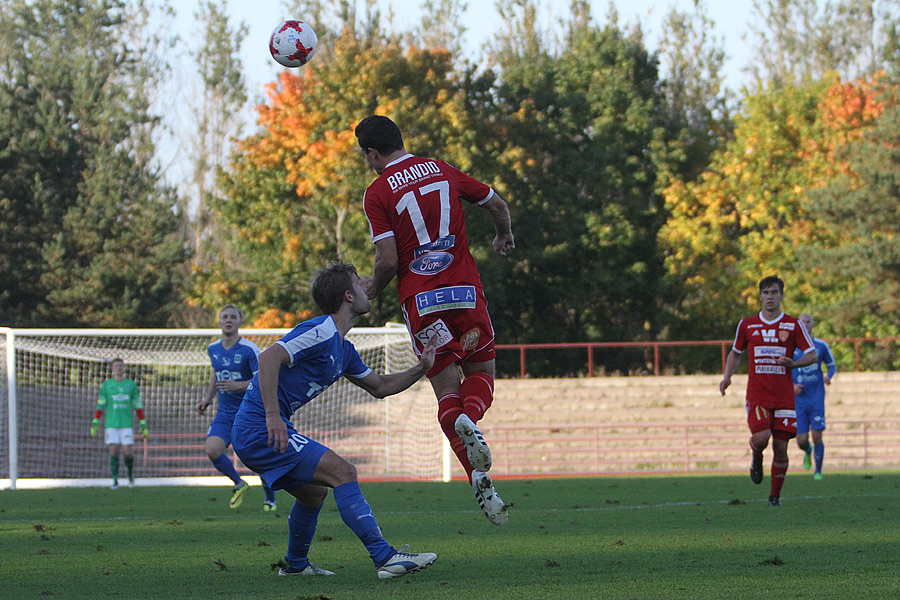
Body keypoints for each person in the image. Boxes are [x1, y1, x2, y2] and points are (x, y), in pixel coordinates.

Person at [354, 115, 515, 526]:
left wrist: (374, 285)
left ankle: (478, 477)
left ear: (372, 152)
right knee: (481, 371)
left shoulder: (376, 192)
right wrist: (502, 235)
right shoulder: (442, 169)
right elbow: (497, 204)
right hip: (464, 290)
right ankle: (472, 418)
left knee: (445, 389)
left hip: (422, 302)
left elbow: (388, 259)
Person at [231, 262, 439, 579]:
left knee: (314, 494)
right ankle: (385, 558)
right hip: (259, 427)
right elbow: (268, 357)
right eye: (359, 284)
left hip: (263, 429)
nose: (367, 287)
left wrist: (421, 368)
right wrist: (273, 415)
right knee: (344, 472)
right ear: (348, 296)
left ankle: (296, 566)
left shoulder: (344, 349)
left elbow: (380, 387)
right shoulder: (321, 330)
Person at [719, 275, 818, 506]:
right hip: (758, 394)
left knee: (781, 446)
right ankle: (756, 456)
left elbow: (811, 354)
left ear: (781, 295)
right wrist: (727, 377)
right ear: (760, 296)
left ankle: (774, 497)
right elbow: (736, 353)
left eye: (774, 292)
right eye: (766, 293)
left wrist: (793, 364)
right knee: (762, 438)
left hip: (784, 396)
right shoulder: (747, 324)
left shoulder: (793, 325)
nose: (770, 297)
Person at [197, 304, 278, 511]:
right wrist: (207, 398)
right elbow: (216, 373)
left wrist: (238, 386)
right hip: (224, 413)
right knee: (212, 449)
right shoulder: (212, 349)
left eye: (233, 317)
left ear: (240, 322)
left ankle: (270, 499)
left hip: (249, 412)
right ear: (219, 322)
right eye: (225, 317)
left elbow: (262, 379)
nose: (228, 320)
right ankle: (239, 483)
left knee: (258, 458)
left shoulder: (249, 349)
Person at [91, 358, 147, 489]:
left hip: (126, 424)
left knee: (127, 452)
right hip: (111, 424)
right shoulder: (107, 385)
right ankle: (115, 481)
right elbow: (100, 405)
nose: (118, 368)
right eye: (116, 366)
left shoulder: (131, 385)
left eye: (120, 366)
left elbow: (137, 405)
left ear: (124, 368)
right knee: (114, 451)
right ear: (112, 369)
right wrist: (95, 421)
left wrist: (143, 423)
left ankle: (129, 475)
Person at [792, 313, 836, 480]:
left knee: (817, 435)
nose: (805, 324)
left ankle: (818, 471)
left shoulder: (821, 346)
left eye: (808, 321)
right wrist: (792, 385)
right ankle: (807, 451)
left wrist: (828, 377)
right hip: (799, 400)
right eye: (802, 322)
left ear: (813, 324)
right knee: (801, 440)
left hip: (816, 396)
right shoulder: (791, 346)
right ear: (798, 324)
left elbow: (831, 366)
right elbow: (784, 369)